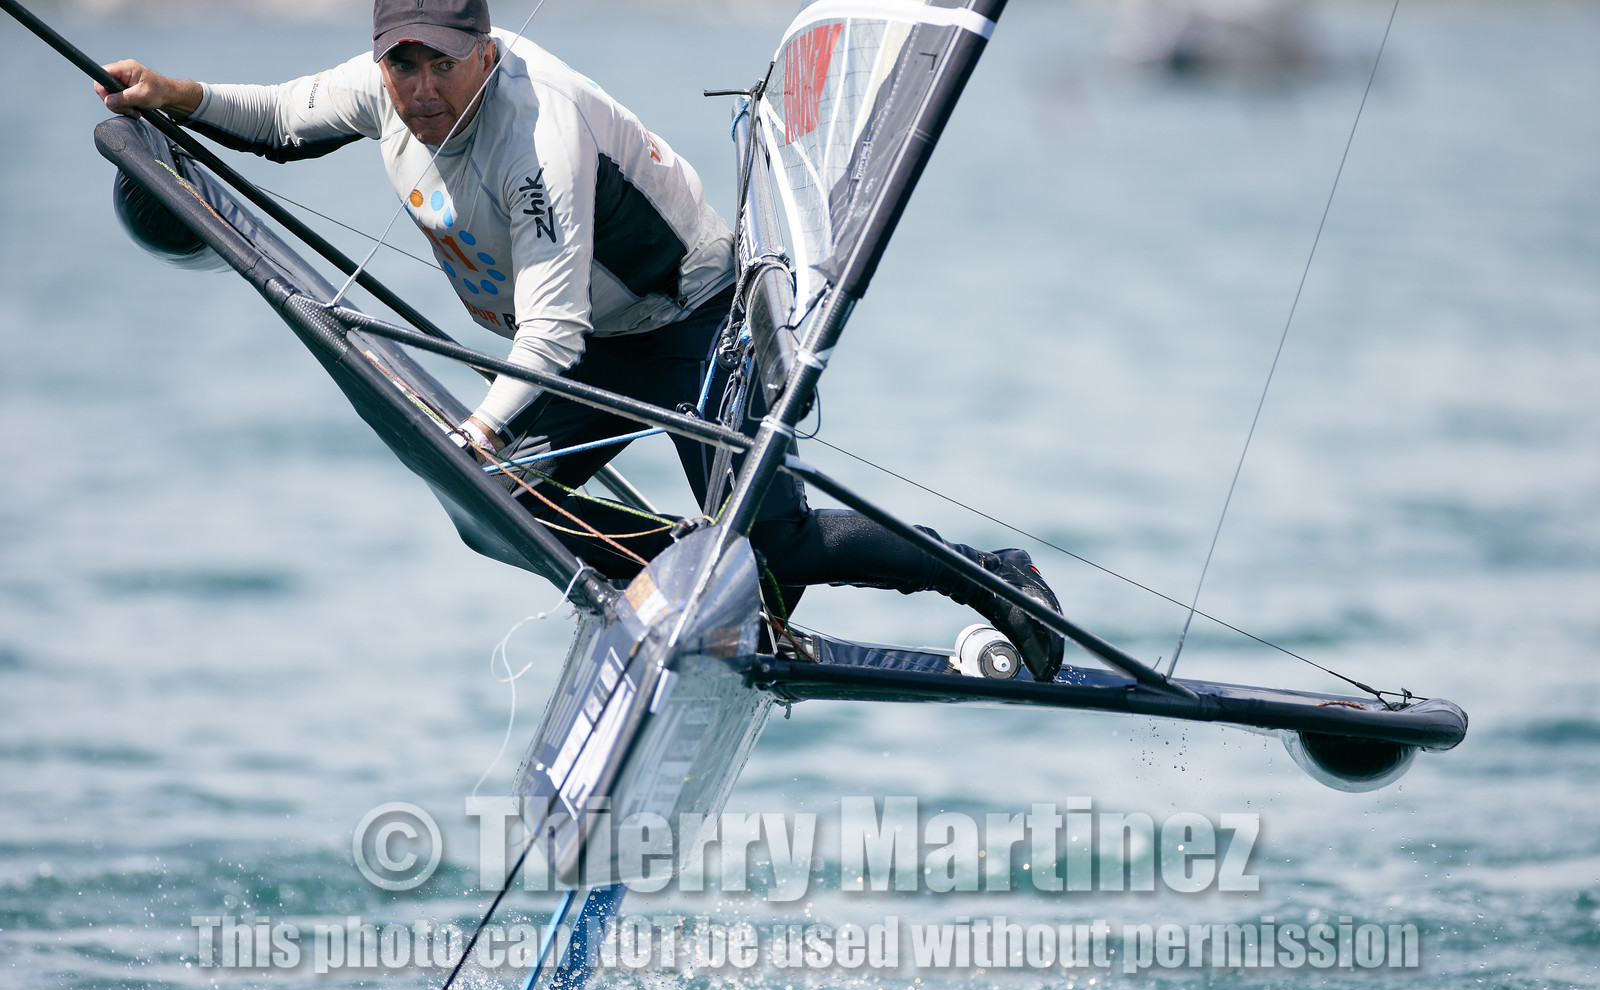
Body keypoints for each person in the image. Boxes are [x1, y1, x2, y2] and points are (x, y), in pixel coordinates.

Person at [96, 0, 1067, 681]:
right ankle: (696, 574)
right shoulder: (378, 85)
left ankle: (991, 576)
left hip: (695, 322)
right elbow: (274, 120)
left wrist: (480, 423)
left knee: (784, 540)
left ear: (483, 50)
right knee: (494, 503)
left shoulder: (536, 132)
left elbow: (550, 328)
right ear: (382, 55)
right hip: (593, 343)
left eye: (442, 62)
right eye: (403, 62)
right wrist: (174, 94)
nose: (422, 88)